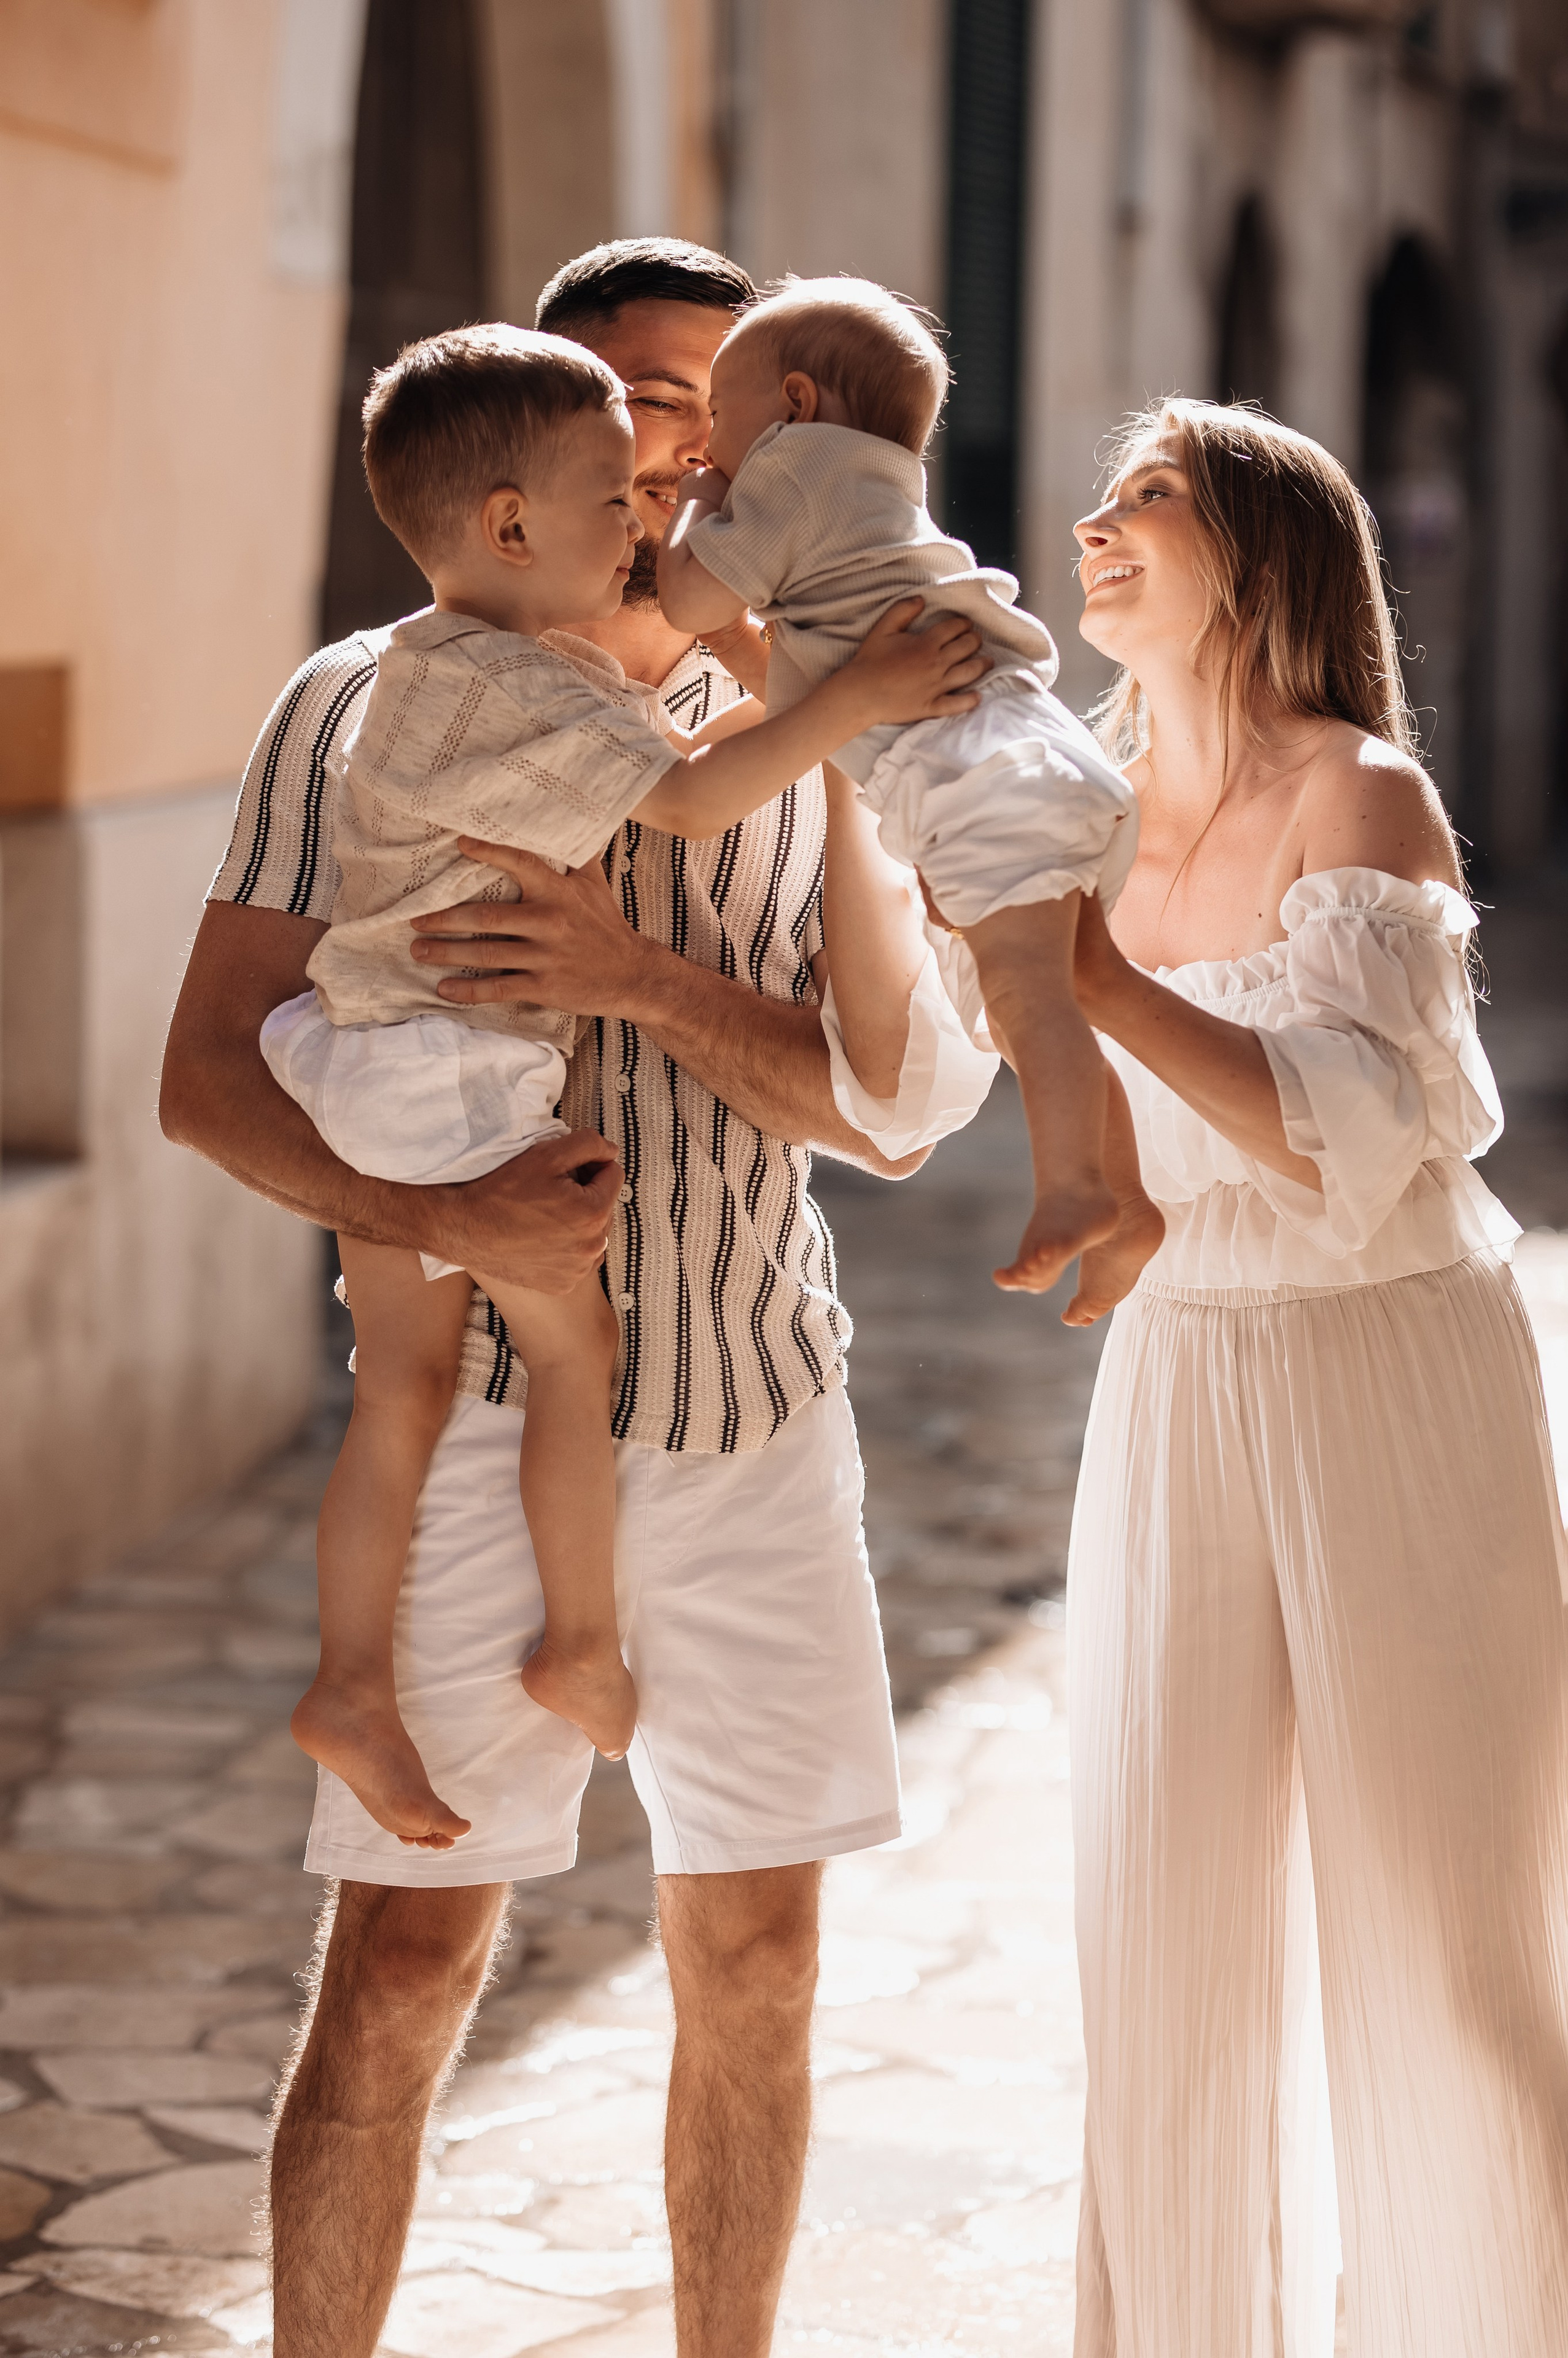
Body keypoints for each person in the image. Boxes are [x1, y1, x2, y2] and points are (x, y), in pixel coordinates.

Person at [158, 237, 998, 2358]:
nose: (679, 442)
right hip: (455, 1441)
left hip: (749, 1409)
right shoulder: (357, 701)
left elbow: (888, 1109)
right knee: (403, 1970)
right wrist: (435, 1218)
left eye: (715, 405)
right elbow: (202, 1080)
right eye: (631, 392)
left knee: (762, 1967)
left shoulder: (815, 717)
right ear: (548, 433)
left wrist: (638, 979)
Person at [266, 323, 985, 1838]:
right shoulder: (546, 683)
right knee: (567, 1354)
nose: (656, 504)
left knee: (386, 1385)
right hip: (450, 1075)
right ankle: (580, 1647)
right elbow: (698, 789)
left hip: (375, 1049)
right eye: (623, 473)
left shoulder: (422, 665)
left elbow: (895, 1115)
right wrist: (857, 696)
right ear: (512, 520)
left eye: (699, 442)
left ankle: (346, 1680)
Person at [1063, 395, 1568, 2356]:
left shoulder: (1363, 797)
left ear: (1262, 555)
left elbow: (1363, 1133)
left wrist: (1099, 987)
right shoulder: (1086, 816)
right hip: (1178, 1376)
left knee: (1445, 1939)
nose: (1097, 525)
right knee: (1157, 1929)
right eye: (1099, 499)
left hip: (1394, 1374)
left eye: (1150, 499)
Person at [658, 276, 1163, 1319]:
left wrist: (700, 510)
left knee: (1030, 997)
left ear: (795, 405)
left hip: (986, 780)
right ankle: (1126, 1198)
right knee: (1042, 1003)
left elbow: (687, 595)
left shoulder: (792, 477)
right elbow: (818, 690)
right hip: (1022, 762)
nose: (710, 443)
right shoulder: (869, 504)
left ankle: (1076, 1186)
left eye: (720, 416)